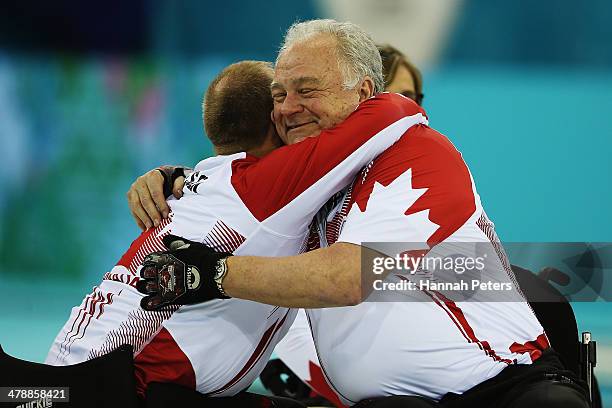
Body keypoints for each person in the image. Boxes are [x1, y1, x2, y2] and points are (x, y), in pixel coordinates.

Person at [136, 19, 590, 408]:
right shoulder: (303, 175)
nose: (288, 108)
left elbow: (349, 276)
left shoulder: (417, 154)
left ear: (365, 94)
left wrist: (212, 274)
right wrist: (173, 178)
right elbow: (234, 177)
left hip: (499, 393)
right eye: (279, 94)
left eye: (306, 91)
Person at [44, 59, 425, 405]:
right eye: (285, 96)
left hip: (82, 376)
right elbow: (395, 111)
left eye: (305, 92)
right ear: (278, 118)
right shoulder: (268, 187)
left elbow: (462, 274)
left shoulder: (207, 180)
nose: (296, 106)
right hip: (115, 389)